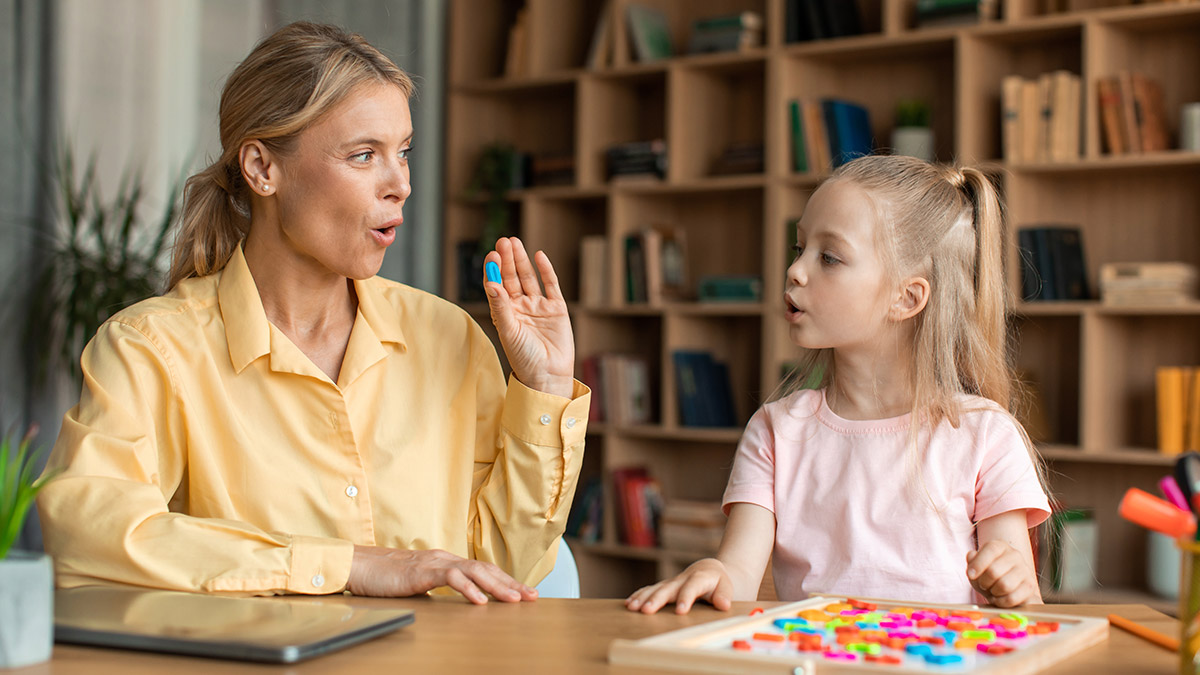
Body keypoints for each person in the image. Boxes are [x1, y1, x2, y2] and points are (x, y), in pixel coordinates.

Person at [37, 21, 590, 605]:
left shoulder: (450, 336)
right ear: (262, 169)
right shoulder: (149, 347)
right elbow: (83, 534)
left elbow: (506, 571)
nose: (399, 183)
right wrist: (345, 566)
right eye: (363, 155)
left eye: (402, 152)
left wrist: (545, 383)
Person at [626, 154, 1051, 614]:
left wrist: (1011, 586)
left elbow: (1022, 596)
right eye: (800, 248)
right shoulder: (775, 430)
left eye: (829, 257)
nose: (796, 271)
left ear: (905, 297)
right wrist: (715, 573)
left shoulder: (987, 435)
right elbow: (739, 575)